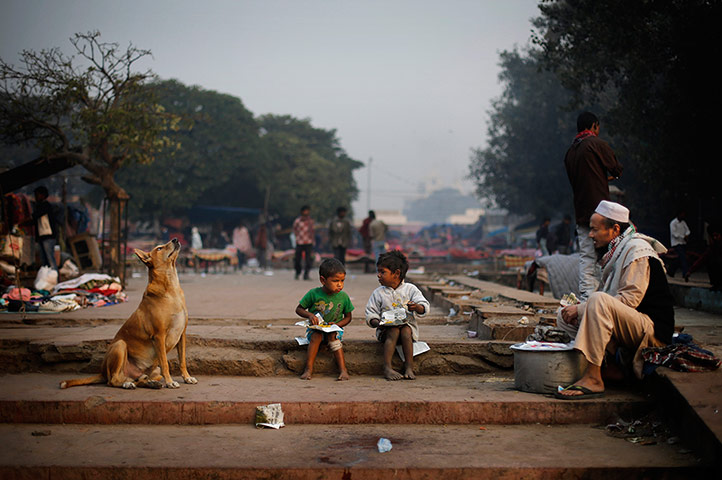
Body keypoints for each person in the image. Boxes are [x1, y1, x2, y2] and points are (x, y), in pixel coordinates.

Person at [556, 200, 674, 399]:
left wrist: (583, 308)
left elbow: (628, 302)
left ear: (615, 229)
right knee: (563, 316)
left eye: (594, 229)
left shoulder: (637, 251)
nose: (590, 235)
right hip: (630, 324)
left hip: (651, 332)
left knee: (597, 301)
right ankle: (610, 369)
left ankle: (593, 378)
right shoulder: (618, 252)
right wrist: (579, 309)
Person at [565, 111, 623, 300]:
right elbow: (616, 168)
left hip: (581, 213)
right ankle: (606, 301)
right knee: (610, 256)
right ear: (594, 126)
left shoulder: (570, 153)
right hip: (601, 213)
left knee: (587, 258)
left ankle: (588, 300)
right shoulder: (596, 144)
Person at [365, 250, 430, 381]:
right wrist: (377, 322)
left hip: (408, 330)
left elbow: (424, 305)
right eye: (378, 272)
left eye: (382, 272)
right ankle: (387, 367)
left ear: (396, 274)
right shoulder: (379, 293)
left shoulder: (410, 289)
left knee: (406, 330)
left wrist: (417, 307)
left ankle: (409, 366)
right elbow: (370, 312)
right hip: (386, 331)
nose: (378, 275)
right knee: (394, 330)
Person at [295, 258, 354, 381]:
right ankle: (308, 369)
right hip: (316, 329)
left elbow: (348, 317)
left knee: (333, 336)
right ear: (323, 280)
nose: (340, 285)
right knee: (316, 336)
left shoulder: (343, 297)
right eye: (335, 281)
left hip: (334, 330)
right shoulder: (313, 294)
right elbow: (299, 309)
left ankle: (343, 370)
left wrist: (337, 324)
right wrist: (310, 315)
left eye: (342, 281)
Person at [685, 222, 722, 291]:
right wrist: (690, 271)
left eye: (717, 236)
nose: (715, 238)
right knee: (711, 262)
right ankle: (717, 284)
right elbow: (702, 260)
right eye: (713, 236)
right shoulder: (713, 248)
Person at [31, 186, 58, 270]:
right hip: (42, 236)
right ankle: (48, 277)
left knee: (50, 259)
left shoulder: (45, 206)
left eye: (37, 195)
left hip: (48, 236)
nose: (36, 197)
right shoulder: (40, 206)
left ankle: (54, 276)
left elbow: (35, 216)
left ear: (42, 195)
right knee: (44, 260)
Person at [293, 205, 315, 280]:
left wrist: (312, 240)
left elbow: (312, 231)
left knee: (308, 259)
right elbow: (295, 230)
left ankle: (306, 274)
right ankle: (297, 272)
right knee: (297, 259)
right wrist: (297, 238)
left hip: (308, 242)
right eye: (305, 211)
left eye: (308, 211)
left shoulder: (310, 221)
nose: (307, 212)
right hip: (299, 242)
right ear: (302, 212)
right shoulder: (297, 221)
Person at [669, 209, 691, 279]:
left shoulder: (683, 223)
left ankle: (671, 271)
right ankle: (685, 273)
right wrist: (683, 237)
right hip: (676, 243)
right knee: (683, 258)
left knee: (679, 259)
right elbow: (675, 234)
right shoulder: (673, 223)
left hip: (683, 243)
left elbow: (688, 230)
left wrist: (686, 235)